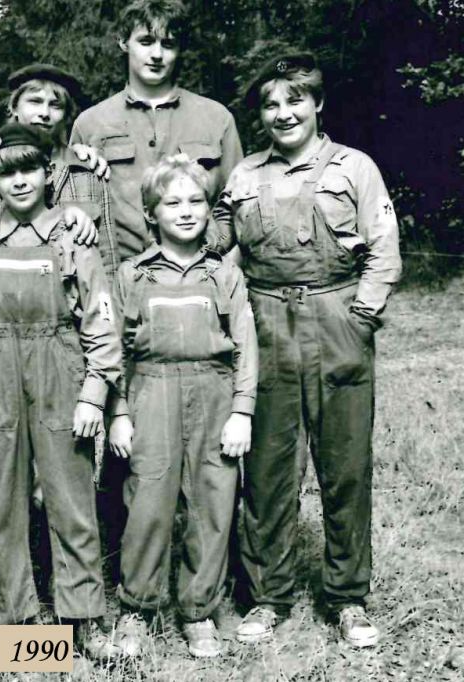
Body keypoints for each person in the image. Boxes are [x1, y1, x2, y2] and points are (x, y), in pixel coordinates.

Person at [213, 52, 401, 648]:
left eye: (295, 100)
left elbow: (384, 248)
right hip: (265, 323)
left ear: (318, 103)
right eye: (270, 105)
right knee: (267, 469)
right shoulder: (244, 175)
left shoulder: (355, 167)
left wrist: (360, 317)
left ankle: (347, 597)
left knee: (344, 467)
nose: (283, 113)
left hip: (336, 317)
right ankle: (268, 595)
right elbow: (215, 239)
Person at [0, 123, 123, 660]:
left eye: (29, 168)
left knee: (70, 495)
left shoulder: (73, 237)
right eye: (6, 173)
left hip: (59, 361)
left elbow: (100, 317)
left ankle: (84, 615)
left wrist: (94, 391)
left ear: (49, 173)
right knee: (2, 495)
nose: (20, 181)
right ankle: (15, 615)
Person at [107, 154, 257, 658]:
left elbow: (246, 345)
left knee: (212, 500)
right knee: (147, 501)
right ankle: (137, 606)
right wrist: (118, 412)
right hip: (150, 392)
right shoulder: (132, 275)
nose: (186, 211)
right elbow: (115, 350)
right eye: (172, 203)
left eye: (196, 201)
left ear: (210, 209)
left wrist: (242, 411)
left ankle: (199, 609)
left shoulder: (224, 275)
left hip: (214, 391)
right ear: (151, 213)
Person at [70, 0, 243, 271]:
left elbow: (238, 206)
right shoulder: (90, 123)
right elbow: (72, 210)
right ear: (123, 42)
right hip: (119, 279)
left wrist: (218, 257)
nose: (157, 54)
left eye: (168, 44)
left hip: (199, 277)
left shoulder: (216, 118)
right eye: (146, 41)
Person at [0, 64, 115, 273]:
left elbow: (108, 260)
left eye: (55, 105)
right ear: (14, 107)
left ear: (67, 115)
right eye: (34, 101)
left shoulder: (88, 175)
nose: (44, 113)